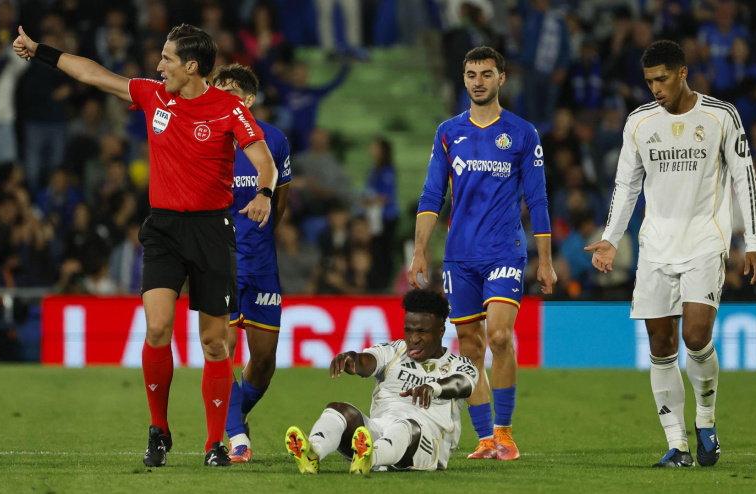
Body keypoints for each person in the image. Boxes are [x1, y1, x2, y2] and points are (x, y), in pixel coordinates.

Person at [13, 23, 279, 468]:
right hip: (163, 230)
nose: (158, 66)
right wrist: (41, 51)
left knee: (215, 344)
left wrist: (264, 193)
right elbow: (93, 75)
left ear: (191, 67)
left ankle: (216, 442)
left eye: (167, 58)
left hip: (212, 231)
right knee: (157, 329)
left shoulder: (229, 109)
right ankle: (159, 430)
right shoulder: (154, 95)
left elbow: (263, 160)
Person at [585, 40, 756, 468]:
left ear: (683, 74)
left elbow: (745, 178)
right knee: (660, 344)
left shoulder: (721, 116)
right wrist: (611, 236)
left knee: (696, 337)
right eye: (649, 81)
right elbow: (626, 186)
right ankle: (677, 445)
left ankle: (705, 420)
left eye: (662, 79)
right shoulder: (640, 122)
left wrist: (754, 241)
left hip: (704, 241)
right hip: (654, 247)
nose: (655, 89)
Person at [408, 46, 557, 461]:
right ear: (464, 78)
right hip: (459, 256)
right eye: (471, 73)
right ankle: (486, 437)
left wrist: (544, 260)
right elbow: (432, 195)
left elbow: (538, 199)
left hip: (504, 251)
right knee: (470, 347)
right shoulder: (448, 131)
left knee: (499, 335)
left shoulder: (522, 133)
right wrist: (421, 251)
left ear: (501, 79)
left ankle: (506, 432)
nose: (478, 81)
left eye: (486, 74)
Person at [284, 289, 477, 474]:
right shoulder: (394, 351)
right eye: (408, 330)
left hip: (424, 443)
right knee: (338, 410)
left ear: (441, 331)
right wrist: (351, 359)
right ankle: (313, 453)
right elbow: (365, 361)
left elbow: (462, 384)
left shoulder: (458, 364)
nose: (413, 339)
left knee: (404, 426)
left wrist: (433, 387)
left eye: (421, 332)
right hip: (374, 436)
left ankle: (370, 458)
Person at [209, 63, 292, 463]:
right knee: (222, 350)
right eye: (217, 90)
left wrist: (259, 235)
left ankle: (232, 416)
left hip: (261, 266)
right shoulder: (207, 137)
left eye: (229, 92)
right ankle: (237, 437)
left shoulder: (273, 140)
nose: (221, 98)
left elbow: (281, 201)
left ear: (248, 99)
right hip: (219, 262)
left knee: (263, 360)